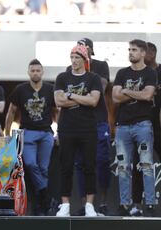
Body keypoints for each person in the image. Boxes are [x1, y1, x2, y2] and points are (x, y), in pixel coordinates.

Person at [54, 45, 102, 217]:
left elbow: (94, 101)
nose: (73, 61)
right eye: (72, 57)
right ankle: (65, 204)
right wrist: (84, 98)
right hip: (67, 128)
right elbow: (59, 101)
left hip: (88, 128)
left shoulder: (93, 78)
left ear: (84, 59)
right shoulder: (62, 77)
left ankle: (89, 205)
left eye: (77, 57)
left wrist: (71, 95)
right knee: (66, 166)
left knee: (89, 166)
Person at [5, 59, 56, 215]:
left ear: (42, 72)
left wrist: (58, 130)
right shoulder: (20, 89)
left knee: (44, 169)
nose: (35, 73)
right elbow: (11, 112)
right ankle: (46, 196)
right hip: (27, 132)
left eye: (38, 70)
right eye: (32, 70)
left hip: (46, 132)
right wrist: (7, 134)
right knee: (31, 164)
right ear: (28, 72)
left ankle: (41, 206)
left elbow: (58, 111)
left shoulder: (50, 89)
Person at [112, 39, 156, 217]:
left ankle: (150, 204)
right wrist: (135, 94)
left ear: (143, 53)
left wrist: (126, 92)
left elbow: (148, 95)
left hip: (143, 125)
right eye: (129, 49)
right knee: (122, 167)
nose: (130, 52)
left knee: (146, 165)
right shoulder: (122, 73)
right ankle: (124, 204)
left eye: (134, 50)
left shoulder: (150, 73)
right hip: (123, 126)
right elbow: (115, 98)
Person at [68, 38, 112, 216]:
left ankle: (102, 202)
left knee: (101, 161)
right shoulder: (68, 70)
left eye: (83, 49)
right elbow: (63, 97)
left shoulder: (101, 66)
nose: (79, 52)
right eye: (77, 50)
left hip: (99, 120)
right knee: (79, 164)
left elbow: (98, 91)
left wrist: (76, 95)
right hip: (78, 121)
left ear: (90, 51)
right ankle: (84, 204)